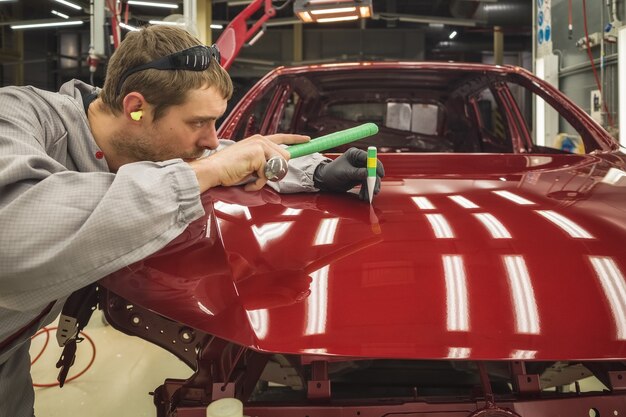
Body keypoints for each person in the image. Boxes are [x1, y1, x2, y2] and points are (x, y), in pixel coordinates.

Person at [0, 25, 384, 417]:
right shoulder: (15, 117)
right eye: (198, 123)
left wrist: (314, 172)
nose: (212, 140)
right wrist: (206, 172)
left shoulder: (146, 142)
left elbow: (217, 159)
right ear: (136, 107)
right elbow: (13, 236)